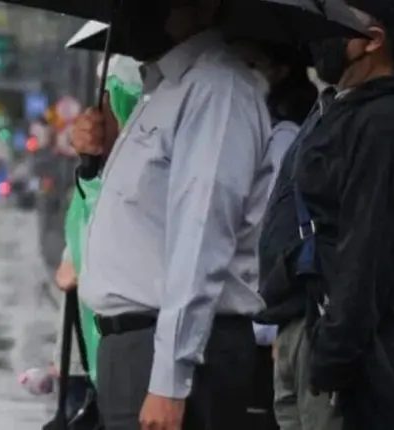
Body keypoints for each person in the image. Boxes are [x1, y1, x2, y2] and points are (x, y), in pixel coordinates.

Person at [71, 0, 274, 428]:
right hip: (133, 349)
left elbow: (203, 235)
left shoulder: (217, 89)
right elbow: (152, 217)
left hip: (172, 356)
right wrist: (103, 156)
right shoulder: (164, 90)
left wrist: (169, 382)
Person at [258, 1, 394, 428]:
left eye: (335, 24)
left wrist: (331, 356)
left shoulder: (388, 122)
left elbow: (371, 251)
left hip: (344, 359)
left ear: (374, 40)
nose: (319, 36)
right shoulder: (339, 108)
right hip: (307, 334)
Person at [54, 53, 143, 419]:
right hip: (103, 354)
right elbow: (69, 269)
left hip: (133, 347)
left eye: (110, 97)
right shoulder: (92, 183)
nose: (100, 108)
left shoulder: (136, 172)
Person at [238, 41, 319, 430]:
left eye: (254, 59)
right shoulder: (275, 128)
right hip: (265, 317)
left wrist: (271, 328)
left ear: (280, 70)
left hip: (267, 322)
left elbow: (276, 231)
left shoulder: (284, 135)